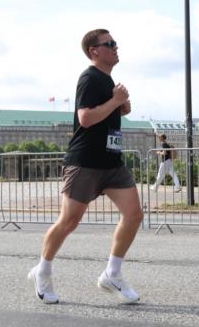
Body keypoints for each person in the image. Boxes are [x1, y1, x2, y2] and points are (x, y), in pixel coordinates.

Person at [27, 29, 143, 304]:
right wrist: (115, 101)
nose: (115, 47)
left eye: (115, 43)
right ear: (94, 51)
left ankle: (112, 274)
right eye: (110, 43)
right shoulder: (89, 77)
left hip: (111, 161)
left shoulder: (107, 79)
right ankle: (43, 271)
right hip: (86, 162)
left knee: (134, 214)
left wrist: (120, 108)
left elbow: (103, 114)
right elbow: (86, 118)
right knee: (69, 221)